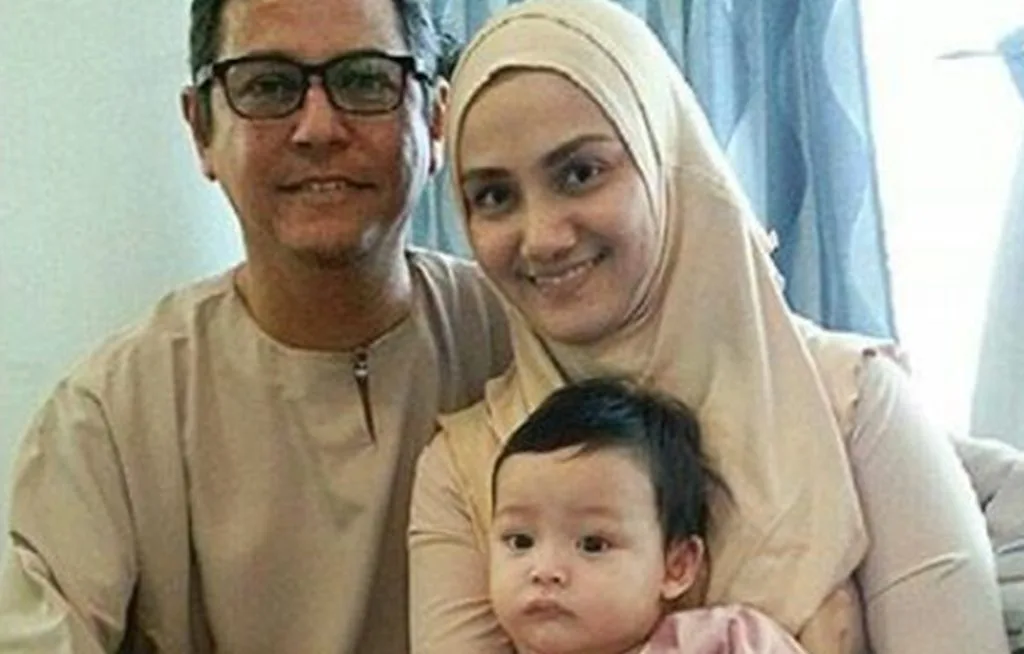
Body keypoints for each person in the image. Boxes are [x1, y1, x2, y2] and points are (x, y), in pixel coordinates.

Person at [407, 1, 1010, 653]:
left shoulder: (850, 402)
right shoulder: (467, 471)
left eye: (581, 173)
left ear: (666, 162)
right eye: (494, 196)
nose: (543, 236)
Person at [0, 0, 510, 651]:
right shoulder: (111, 416)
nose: (318, 128)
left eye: (364, 79)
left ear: (435, 118)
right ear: (201, 130)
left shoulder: (519, 343)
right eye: (268, 85)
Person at [488, 377, 806, 654]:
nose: (544, 571)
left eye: (593, 545)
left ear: (676, 567)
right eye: (520, 541)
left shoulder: (726, 640)